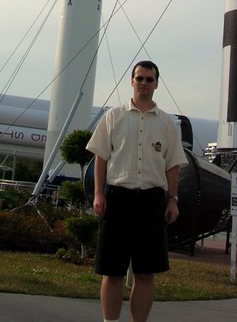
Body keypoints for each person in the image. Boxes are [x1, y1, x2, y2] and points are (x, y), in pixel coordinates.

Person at [86, 60, 187, 322]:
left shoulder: (166, 123)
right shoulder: (114, 116)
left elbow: (173, 164)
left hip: (152, 201)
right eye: (139, 78)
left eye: (149, 79)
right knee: (113, 270)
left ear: (156, 84)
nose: (144, 83)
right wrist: (99, 193)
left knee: (145, 272)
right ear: (131, 81)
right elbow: (101, 157)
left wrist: (172, 200)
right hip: (118, 198)